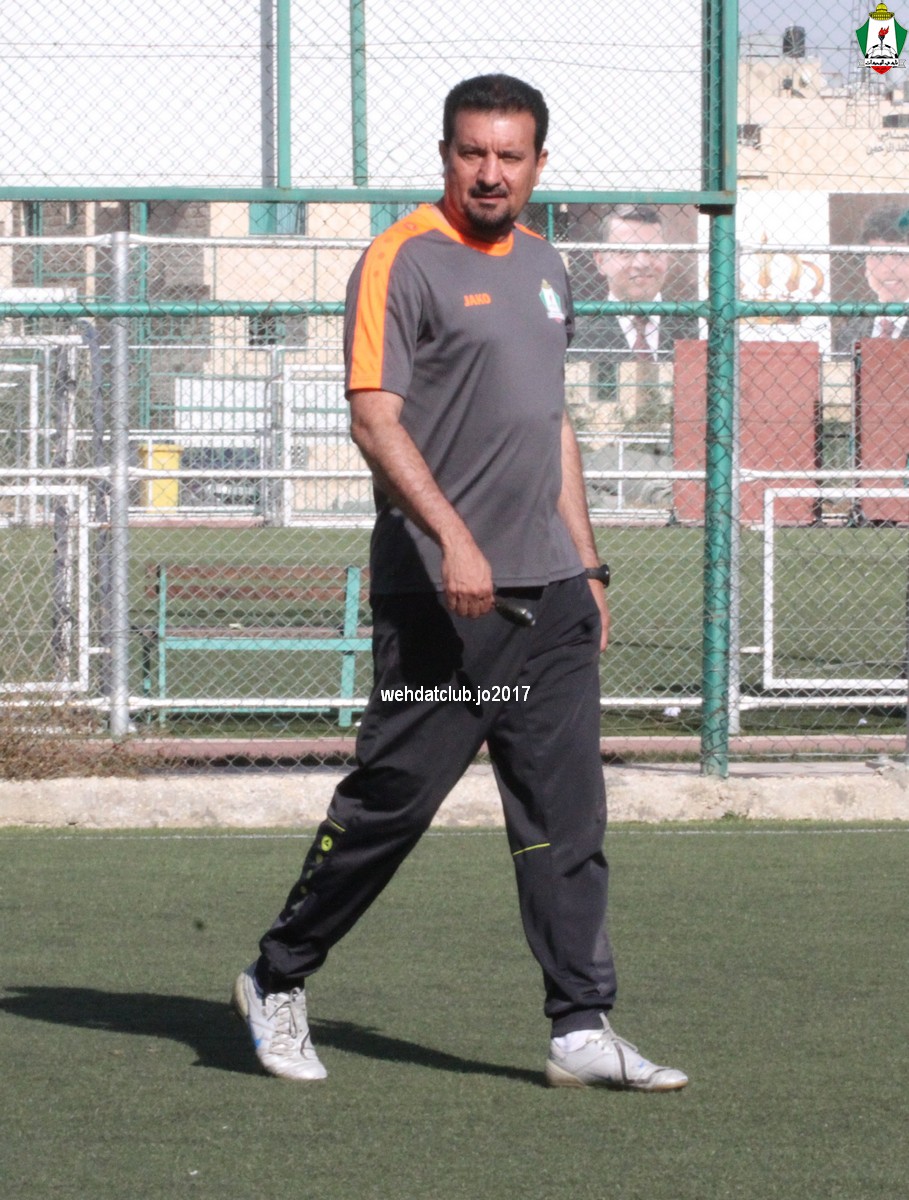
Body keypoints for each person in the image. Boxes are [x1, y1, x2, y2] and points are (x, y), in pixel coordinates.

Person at [232, 74, 687, 1092]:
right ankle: (276, 976)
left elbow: (551, 422)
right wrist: (454, 541)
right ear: (446, 155)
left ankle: (580, 1026)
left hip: (550, 598)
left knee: (566, 818)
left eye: (509, 156)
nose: (490, 173)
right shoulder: (400, 259)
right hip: (445, 601)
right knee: (393, 802)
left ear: (538, 164)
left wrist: (587, 563)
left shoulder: (546, 263)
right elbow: (372, 417)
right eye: (472, 152)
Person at [572, 203, 700, 385]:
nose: (642, 263)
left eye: (653, 251)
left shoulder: (697, 326)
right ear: (600, 261)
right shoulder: (575, 336)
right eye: (626, 252)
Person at [834, 204, 909, 353]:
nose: (887, 269)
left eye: (900, 255)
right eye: (878, 255)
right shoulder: (849, 331)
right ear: (864, 265)